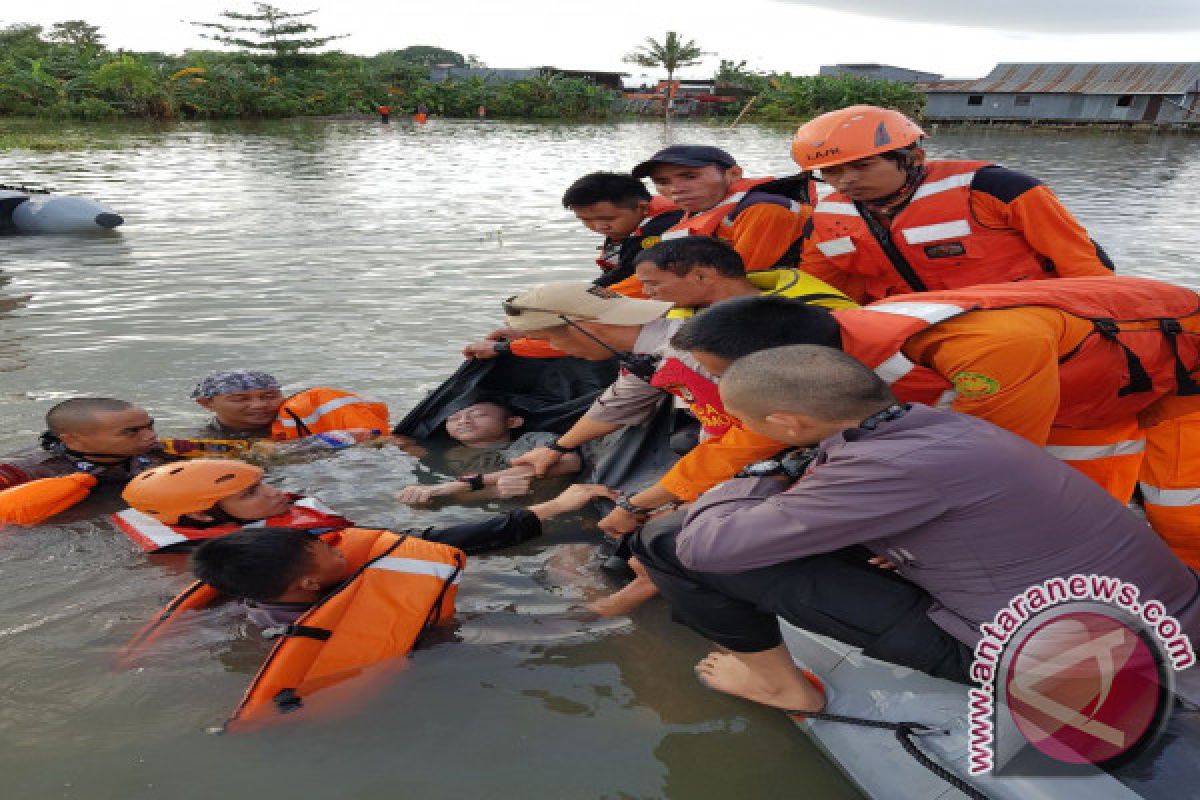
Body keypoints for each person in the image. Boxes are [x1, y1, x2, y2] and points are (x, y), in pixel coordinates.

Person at [632, 345, 1200, 713]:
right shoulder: (940, 427)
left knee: (669, 542)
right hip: (1162, 618)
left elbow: (709, 546)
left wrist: (755, 472)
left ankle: (783, 688)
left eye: (750, 424)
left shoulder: (886, 469)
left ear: (785, 424)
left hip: (1061, 665)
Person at [667, 277, 1200, 567]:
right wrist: (657, 497)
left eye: (731, 376)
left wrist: (901, 531)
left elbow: (988, 467)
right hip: (1077, 391)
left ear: (787, 358)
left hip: (1176, 379)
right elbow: (759, 431)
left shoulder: (985, 351)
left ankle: (1184, 621)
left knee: (1181, 513)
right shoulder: (827, 351)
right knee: (1082, 510)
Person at [512, 239, 854, 538]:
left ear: (586, 327)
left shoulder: (692, 354)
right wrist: (557, 446)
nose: (556, 351)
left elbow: (759, 436)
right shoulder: (660, 339)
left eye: (550, 340)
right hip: (752, 437)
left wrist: (648, 501)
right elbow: (621, 400)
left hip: (803, 441)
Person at [792, 105, 1114, 305]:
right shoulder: (825, 218)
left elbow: (1081, 263)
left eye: (863, 167)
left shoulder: (996, 189)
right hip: (906, 324)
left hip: (1020, 317)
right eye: (831, 172)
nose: (845, 181)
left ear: (914, 158)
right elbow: (822, 289)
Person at [119, 458, 616, 560]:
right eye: (252, 495)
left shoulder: (193, 519)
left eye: (263, 484)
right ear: (204, 517)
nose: (274, 496)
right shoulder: (267, 549)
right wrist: (555, 505)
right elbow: (430, 544)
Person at [462, 172, 683, 361]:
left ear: (642, 208)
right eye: (586, 220)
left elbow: (595, 318)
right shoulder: (635, 225)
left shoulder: (662, 235)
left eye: (607, 218)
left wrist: (510, 345)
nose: (599, 227)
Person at [632, 145, 812, 271]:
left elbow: (738, 280)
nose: (675, 189)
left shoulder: (765, 210)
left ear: (734, 174)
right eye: (662, 182)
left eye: (690, 177)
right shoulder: (698, 210)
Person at [0, 398, 168, 526]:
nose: (150, 436)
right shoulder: (24, 471)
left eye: (150, 426)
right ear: (72, 440)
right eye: (132, 432)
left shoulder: (161, 451)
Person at [171, 370, 394, 458]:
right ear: (206, 404)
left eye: (269, 396)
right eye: (241, 399)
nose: (258, 405)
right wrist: (331, 441)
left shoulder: (309, 416)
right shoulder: (203, 441)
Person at [395, 400, 582, 505]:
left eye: (479, 415)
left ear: (512, 422)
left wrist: (461, 487)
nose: (463, 421)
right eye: (453, 418)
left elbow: (570, 461)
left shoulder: (531, 440)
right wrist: (377, 441)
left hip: (544, 503)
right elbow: (402, 445)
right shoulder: (448, 454)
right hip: (489, 506)